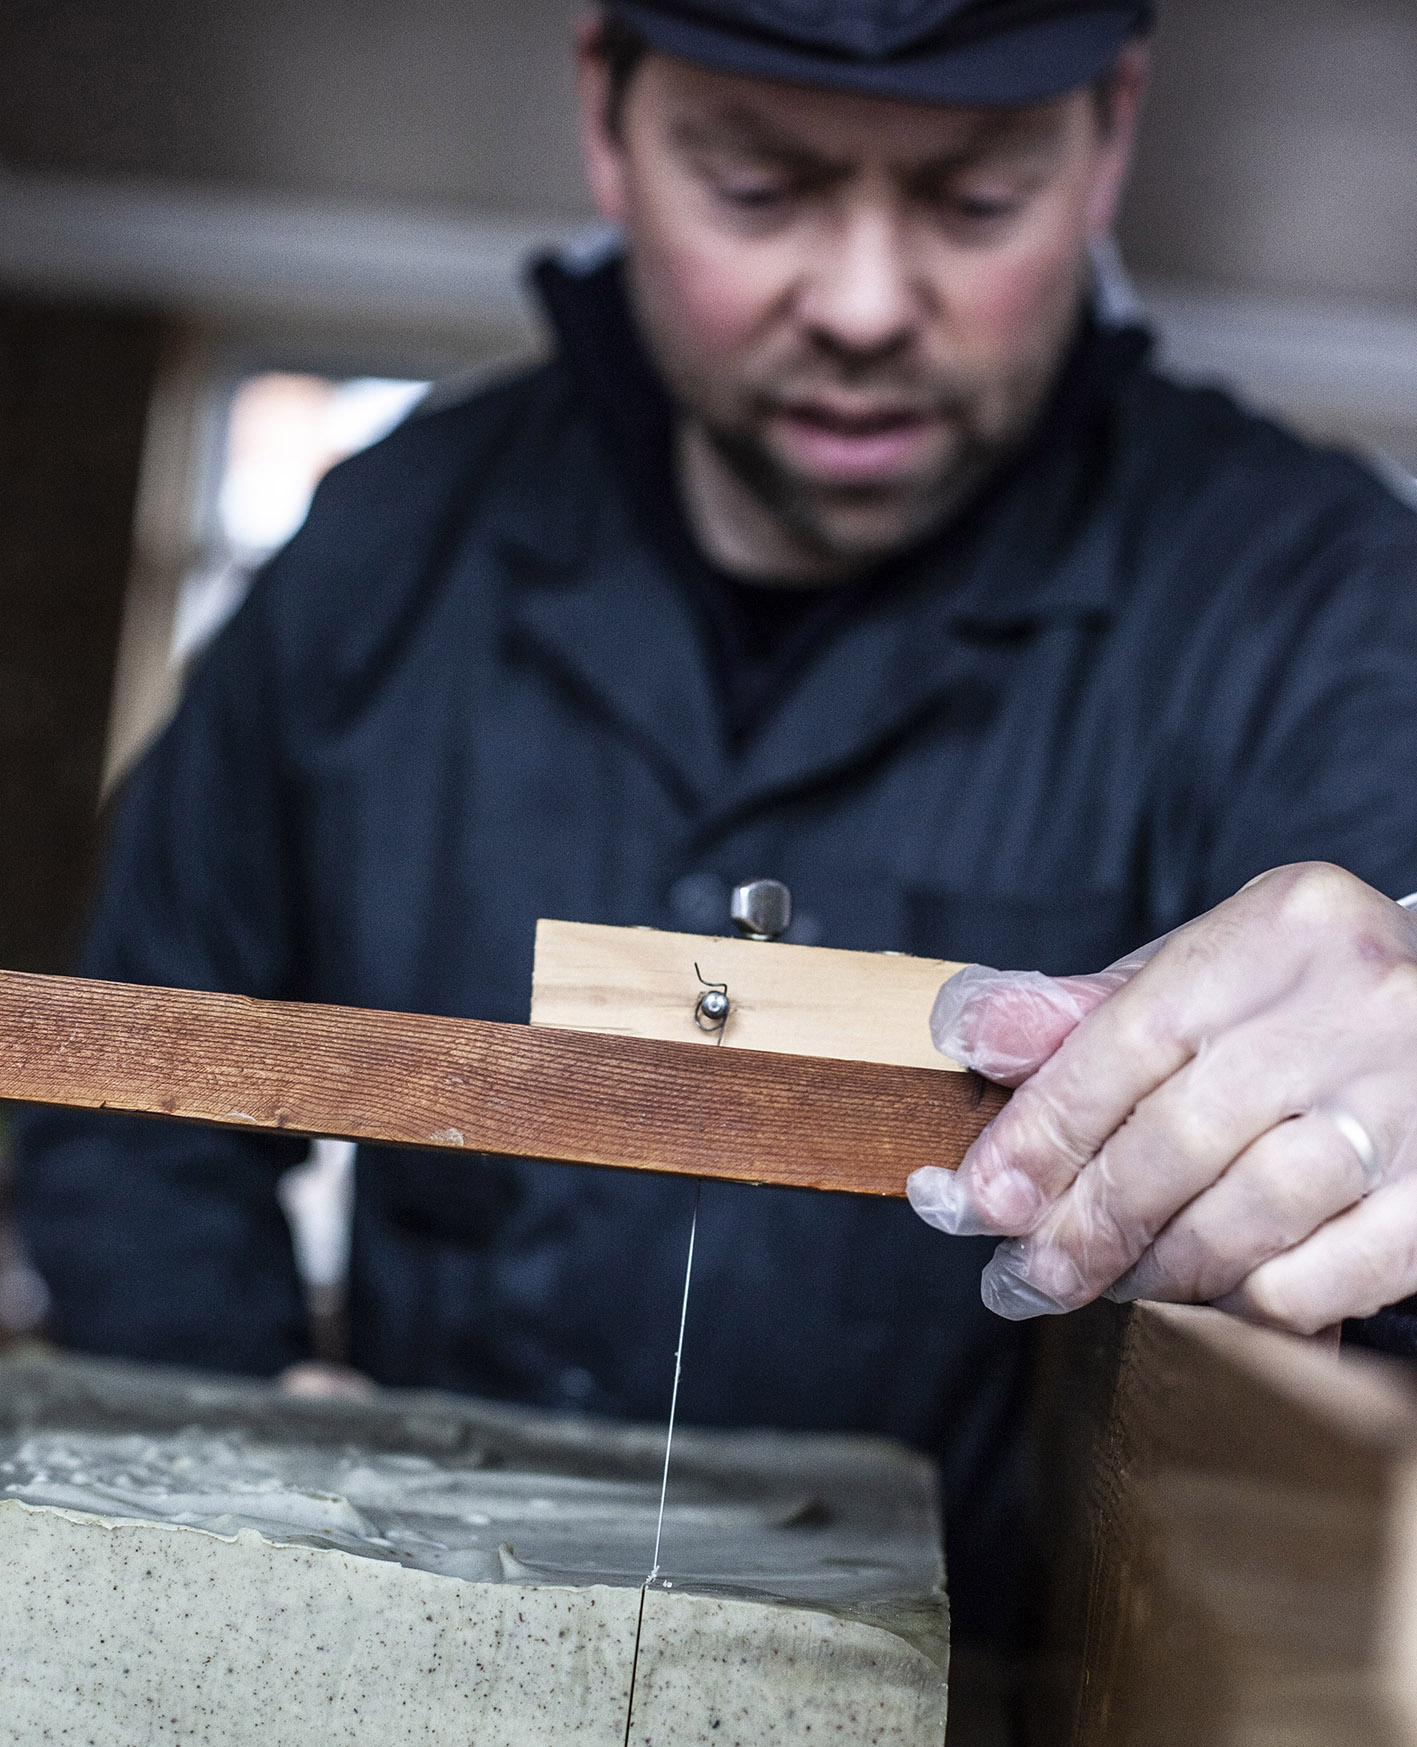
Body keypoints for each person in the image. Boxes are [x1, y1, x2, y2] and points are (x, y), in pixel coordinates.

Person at [15, 0, 1417, 1642]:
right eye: (757, 188)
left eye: (973, 203)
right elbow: (132, 1124)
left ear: (1109, 129)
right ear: (605, 114)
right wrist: (254, 1441)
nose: (866, 304)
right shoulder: (382, 551)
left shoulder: (1309, 597)